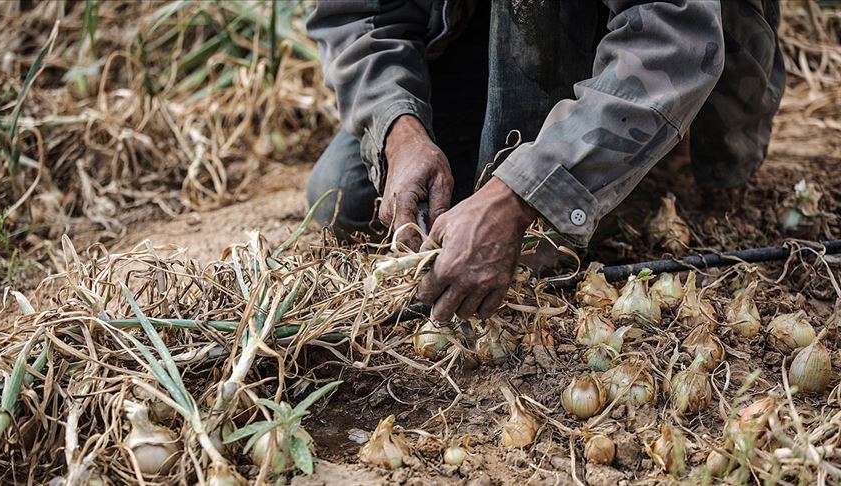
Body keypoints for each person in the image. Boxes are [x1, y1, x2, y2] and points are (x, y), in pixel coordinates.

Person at [305, 0, 785, 323]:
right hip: (475, 24)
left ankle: (651, 149)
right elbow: (357, 15)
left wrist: (517, 197)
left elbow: (674, 35)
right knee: (344, 196)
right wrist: (399, 130)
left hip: (622, 41)